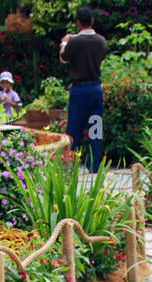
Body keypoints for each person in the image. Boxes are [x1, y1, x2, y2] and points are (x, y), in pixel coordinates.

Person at [60, 4, 106, 170]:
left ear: (78, 22)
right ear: (92, 20)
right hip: (95, 88)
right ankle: (93, 165)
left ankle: (69, 164)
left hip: (79, 89)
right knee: (95, 127)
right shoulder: (101, 41)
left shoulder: (75, 41)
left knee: (74, 127)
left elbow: (63, 58)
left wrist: (64, 43)